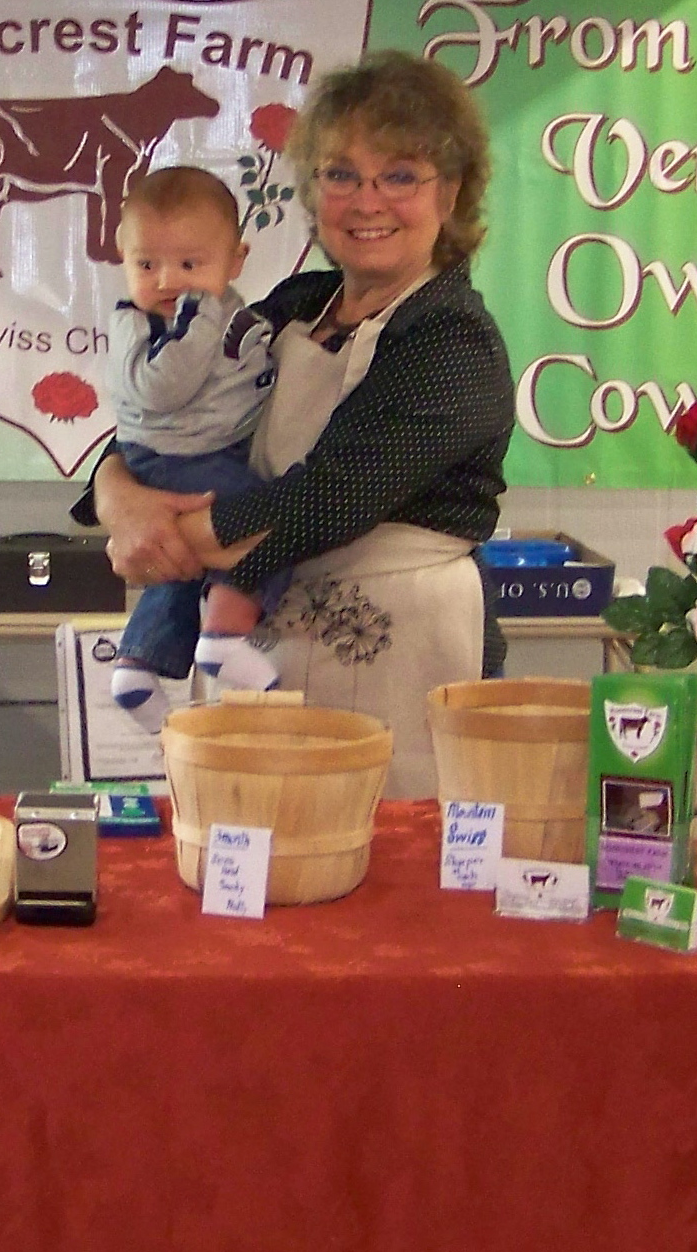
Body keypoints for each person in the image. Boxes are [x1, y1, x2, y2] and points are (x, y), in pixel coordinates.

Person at [80, 50, 510, 798]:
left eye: (399, 175)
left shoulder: (451, 338)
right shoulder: (294, 303)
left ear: (451, 194)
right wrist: (117, 495)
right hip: (259, 630)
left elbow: (327, 498)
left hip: (397, 648)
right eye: (341, 174)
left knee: (379, 867)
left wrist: (164, 536)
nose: (366, 200)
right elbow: (169, 422)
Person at [104, 167, 282, 717]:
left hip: (207, 452)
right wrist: (201, 318)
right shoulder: (145, 326)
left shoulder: (232, 311)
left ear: (235, 262)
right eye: (146, 264)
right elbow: (161, 389)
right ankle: (226, 635)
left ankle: (139, 664)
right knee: (264, 527)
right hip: (177, 459)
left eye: (189, 264)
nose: (166, 282)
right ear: (122, 258)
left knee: (182, 562)